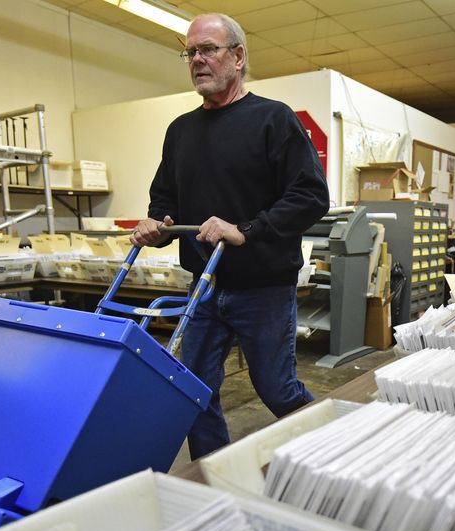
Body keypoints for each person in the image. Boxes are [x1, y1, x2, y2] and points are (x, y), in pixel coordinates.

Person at [131, 13, 329, 459]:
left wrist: (245, 230)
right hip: (203, 287)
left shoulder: (272, 120)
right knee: (193, 392)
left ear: (237, 57)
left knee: (278, 392)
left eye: (208, 49)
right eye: (191, 52)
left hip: (263, 289)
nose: (197, 60)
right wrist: (154, 226)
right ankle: (214, 477)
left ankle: (333, 457)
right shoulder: (180, 131)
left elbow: (311, 196)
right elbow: (165, 202)